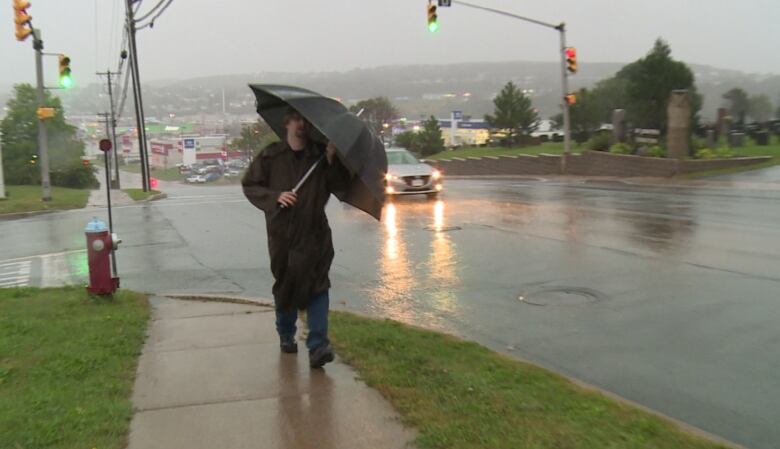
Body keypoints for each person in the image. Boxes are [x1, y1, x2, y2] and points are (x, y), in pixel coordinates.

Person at [242, 108, 351, 369]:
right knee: (286, 286)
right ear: (288, 122)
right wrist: (275, 196)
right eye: (298, 119)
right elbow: (250, 185)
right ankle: (286, 333)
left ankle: (318, 346)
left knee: (318, 285)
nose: (302, 124)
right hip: (283, 236)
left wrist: (333, 160)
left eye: (307, 120)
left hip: (315, 235)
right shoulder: (271, 156)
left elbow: (339, 186)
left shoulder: (321, 156)